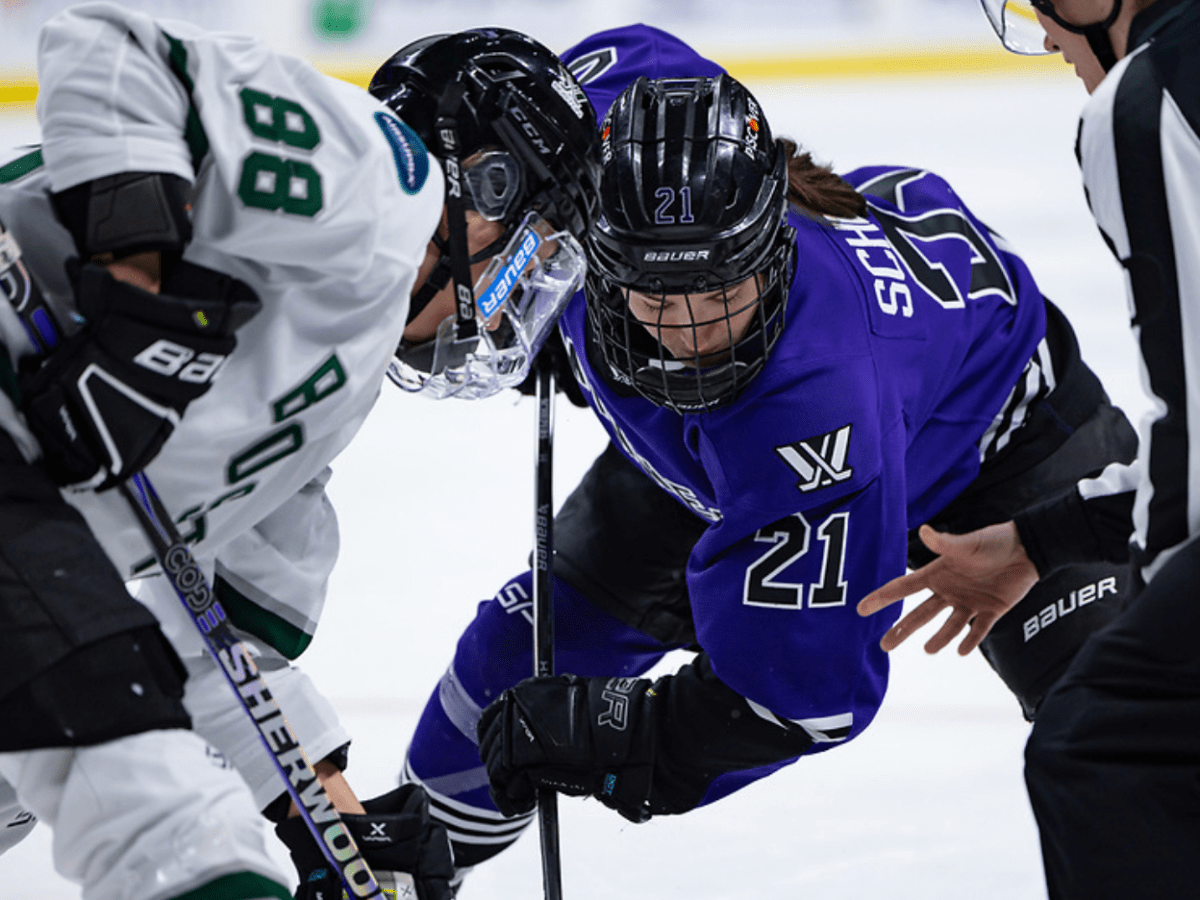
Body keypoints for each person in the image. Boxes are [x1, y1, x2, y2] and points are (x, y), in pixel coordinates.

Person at [383, 23, 1138, 883]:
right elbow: (644, 55)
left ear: (767, 245)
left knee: (1120, 737)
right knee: (512, 657)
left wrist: (617, 733)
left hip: (1006, 451)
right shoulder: (601, 137)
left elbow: (801, 697)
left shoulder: (810, 404)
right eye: (650, 292)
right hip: (750, 437)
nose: (688, 334)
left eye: (718, 290)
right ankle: (404, 869)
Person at [0, 4, 601, 899]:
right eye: (536, 245)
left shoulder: (338, 385)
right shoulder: (380, 179)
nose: (523, 294)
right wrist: (139, 302)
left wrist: (333, 821)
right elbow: (108, 47)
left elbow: (209, 635)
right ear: (485, 185)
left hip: (28, 541)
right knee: (153, 808)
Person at [858, 1, 1200, 897]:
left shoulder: (1144, 100)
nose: (1044, 33)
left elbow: (1194, 420)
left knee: (1099, 741)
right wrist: (1042, 539)